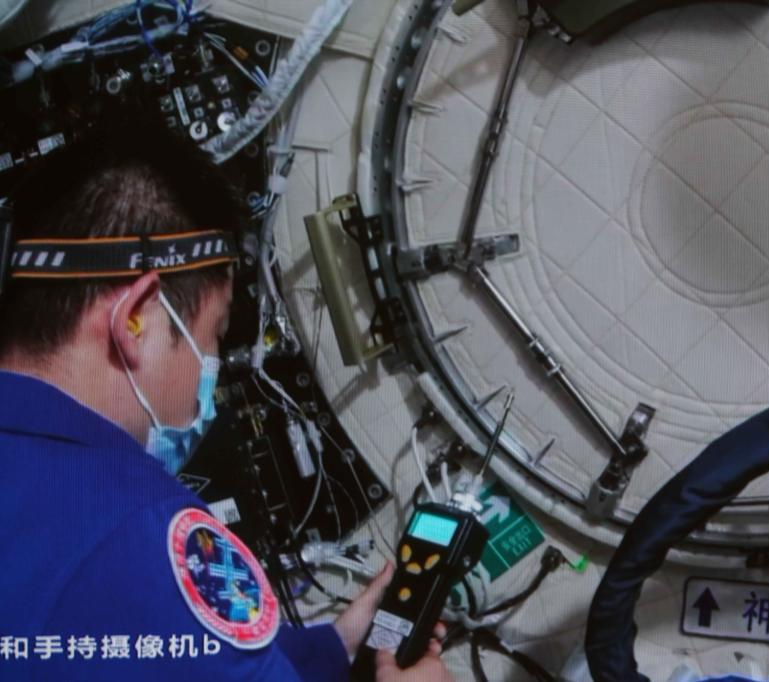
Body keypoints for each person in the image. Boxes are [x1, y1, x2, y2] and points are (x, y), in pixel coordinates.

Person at [0, 113, 454, 682]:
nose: (210, 370)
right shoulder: (147, 538)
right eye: (214, 334)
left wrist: (335, 646)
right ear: (136, 319)